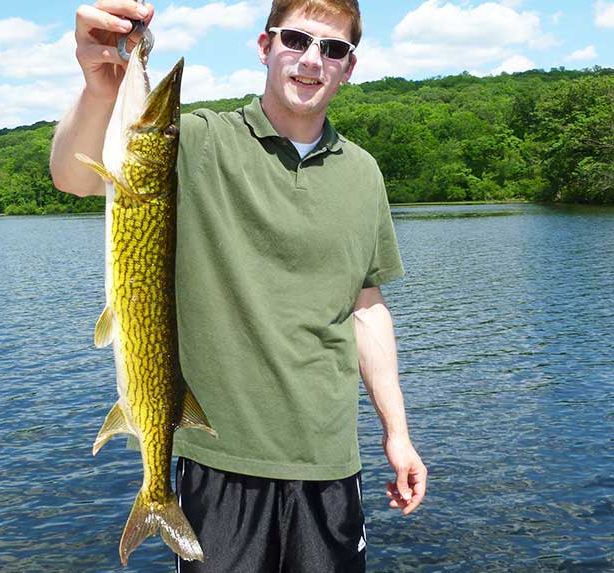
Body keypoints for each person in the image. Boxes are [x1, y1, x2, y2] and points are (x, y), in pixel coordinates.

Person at [51, 0, 427, 570]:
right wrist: (101, 86)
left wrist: (397, 435)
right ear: (264, 46)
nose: (311, 60)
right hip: (217, 462)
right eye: (296, 40)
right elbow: (74, 175)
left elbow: (367, 309)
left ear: (349, 66)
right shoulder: (199, 140)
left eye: (333, 49)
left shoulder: (363, 171)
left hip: (328, 462)